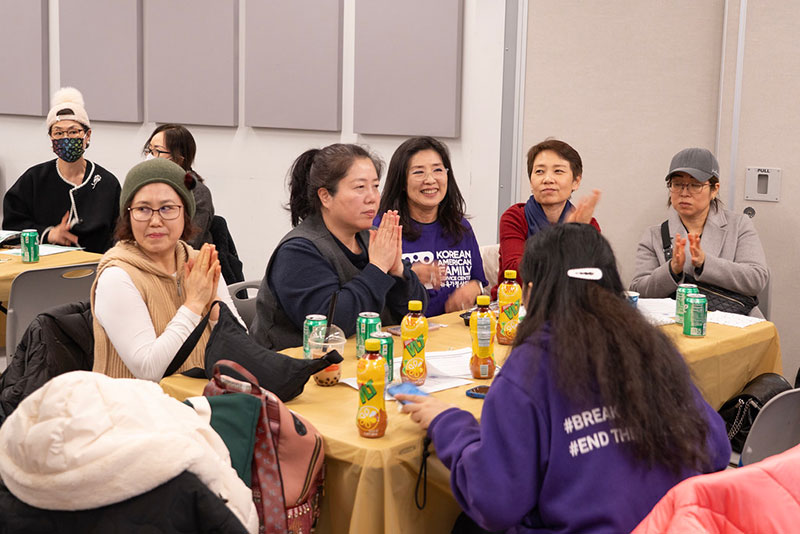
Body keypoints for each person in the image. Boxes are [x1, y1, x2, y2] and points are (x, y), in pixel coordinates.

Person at [397, 224, 731, 534]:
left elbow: (494, 501)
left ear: (528, 293)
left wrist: (449, 424)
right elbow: (717, 451)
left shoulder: (530, 367)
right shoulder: (650, 346)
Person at [250, 143, 428, 351]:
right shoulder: (298, 251)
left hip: (361, 362)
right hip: (292, 370)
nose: (372, 197)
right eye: (360, 187)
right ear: (325, 196)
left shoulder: (367, 236)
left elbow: (415, 313)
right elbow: (332, 327)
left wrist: (398, 271)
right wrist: (378, 268)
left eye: (376, 186)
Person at [91, 159, 244, 382]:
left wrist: (214, 306)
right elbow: (149, 370)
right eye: (143, 209)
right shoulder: (117, 276)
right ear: (128, 214)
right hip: (137, 410)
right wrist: (193, 304)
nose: (155, 221)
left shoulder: (200, 263)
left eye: (167, 208)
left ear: (185, 213)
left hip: (204, 401)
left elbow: (242, 354)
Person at [630, 147, 769, 317]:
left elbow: (756, 279)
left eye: (695, 185)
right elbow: (638, 291)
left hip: (735, 324)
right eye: (677, 184)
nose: (684, 193)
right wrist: (672, 270)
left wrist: (705, 263)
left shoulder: (739, 225)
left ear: (714, 189)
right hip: (675, 327)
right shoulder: (655, 235)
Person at [376, 137, 487, 316]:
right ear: (402, 182)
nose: (430, 180)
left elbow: (478, 281)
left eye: (437, 170)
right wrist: (406, 276)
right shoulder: (384, 227)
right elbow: (370, 293)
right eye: (419, 172)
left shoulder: (460, 226)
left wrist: (474, 289)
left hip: (455, 334)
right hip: (405, 335)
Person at [3, 87, 120, 253]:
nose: (66, 138)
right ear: (51, 138)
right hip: (44, 270)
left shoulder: (107, 183)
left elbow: (120, 234)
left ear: (88, 135)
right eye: (58, 133)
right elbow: (11, 229)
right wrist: (49, 234)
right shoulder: (33, 179)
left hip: (97, 267)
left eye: (73, 132)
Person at [495, 138, 600, 297]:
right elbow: (515, 271)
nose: (548, 179)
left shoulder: (587, 223)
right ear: (531, 181)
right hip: (514, 308)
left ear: (576, 181)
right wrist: (567, 238)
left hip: (568, 308)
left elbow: (590, 276)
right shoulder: (515, 217)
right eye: (539, 171)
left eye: (558, 171)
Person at [143, 124, 215, 249]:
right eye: (149, 150)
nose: (150, 156)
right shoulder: (142, 187)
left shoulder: (197, 193)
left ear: (178, 159)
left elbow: (189, 243)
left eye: (157, 151)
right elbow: (123, 233)